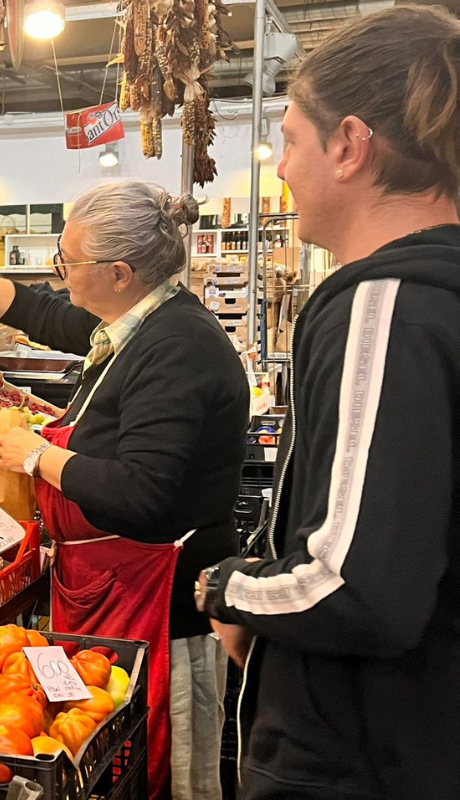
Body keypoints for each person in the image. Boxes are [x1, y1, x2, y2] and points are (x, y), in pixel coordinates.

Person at [0, 181, 249, 800]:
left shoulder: (179, 348)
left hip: (165, 605)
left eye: (68, 262)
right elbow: (42, 314)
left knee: (172, 770)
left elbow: (143, 491)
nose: (60, 274)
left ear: (118, 272)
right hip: (110, 585)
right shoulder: (137, 320)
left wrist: (38, 456)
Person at [196, 7, 460, 800]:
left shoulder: (386, 304)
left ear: (349, 145)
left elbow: (355, 586)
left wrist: (226, 588)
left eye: (288, 139)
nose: (278, 166)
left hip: (360, 758)